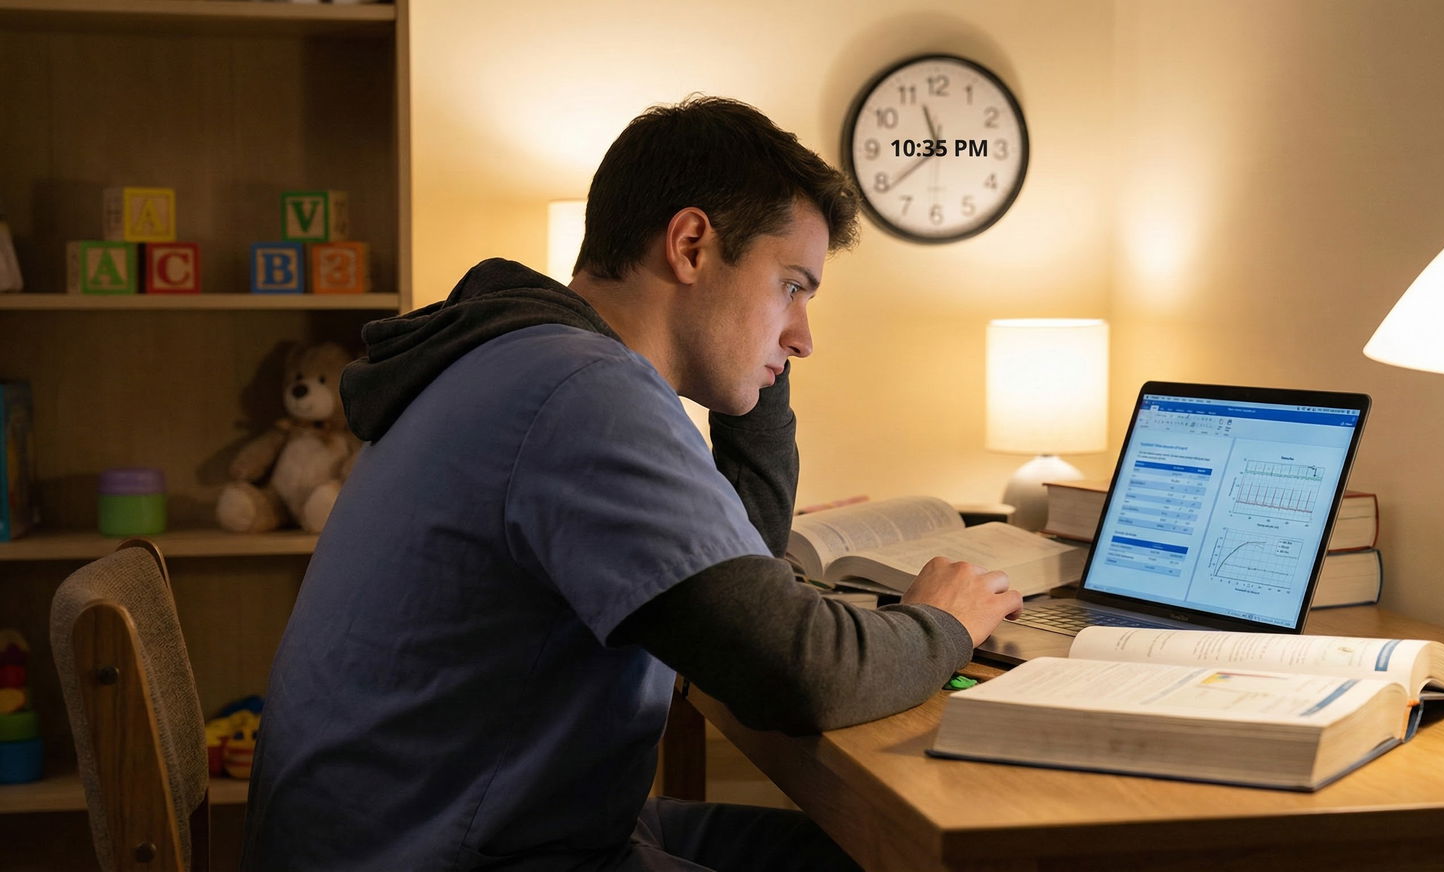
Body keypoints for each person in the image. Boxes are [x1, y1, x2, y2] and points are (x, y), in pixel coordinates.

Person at [241, 96, 1022, 872]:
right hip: (447, 851)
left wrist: (757, 369)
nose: (804, 337)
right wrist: (941, 623)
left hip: (436, 821)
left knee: (866, 851)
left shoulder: (523, 357)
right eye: (792, 286)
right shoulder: (580, 393)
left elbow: (729, 585)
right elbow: (795, 672)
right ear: (689, 245)